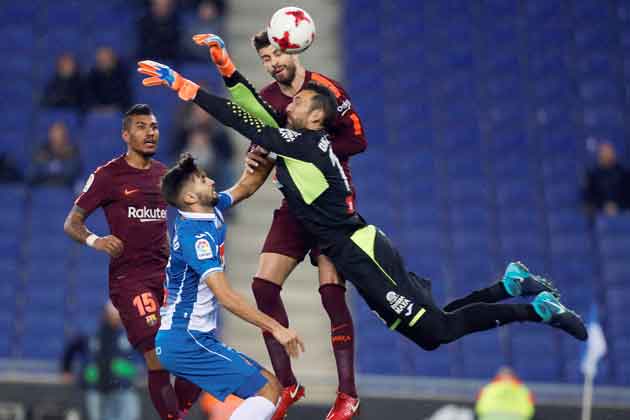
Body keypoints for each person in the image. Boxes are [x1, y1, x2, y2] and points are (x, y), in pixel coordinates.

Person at [136, 61, 589, 360]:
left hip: (359, 251)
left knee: (434, 331)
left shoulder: (307, 146)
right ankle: (508, 284)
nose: (287, 103)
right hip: (360, 250)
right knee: (431, 323)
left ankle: (539, 311)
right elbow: (258, 111)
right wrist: (225, 73)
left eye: (297, 102)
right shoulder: (303, 144)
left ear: (316, 118)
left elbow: (246, 120)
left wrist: (185, 87)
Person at [193, 32, 368, 419]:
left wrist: (306, 149)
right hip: (293, 207)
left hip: (330, 208)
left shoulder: (325, 91)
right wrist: (269, 156)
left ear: (296, 48)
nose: (272, 63)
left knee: (331, 295)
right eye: (266, 58)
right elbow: (253, 131)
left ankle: (347, 395)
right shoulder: (270, 100)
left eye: (277, 54)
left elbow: (358, 141)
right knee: (262, 286)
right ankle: (288, 385)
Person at [63, 104, 202, 420]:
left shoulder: (163, 176)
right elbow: (72, 223)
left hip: (164, 275)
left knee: (186, 349)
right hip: (130, 280)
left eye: (153, 126)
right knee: (156, 353)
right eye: (141, 126)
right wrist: (96, 240)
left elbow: (163, 226)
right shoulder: (107, 176)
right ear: (126, 134)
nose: (150, 132)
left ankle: (176, 408)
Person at [157, 154, 305, 420]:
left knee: (270, 388)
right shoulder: (196, 237)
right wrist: (276, 328)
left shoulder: (208, 209)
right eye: (203, 179)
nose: (211, 180)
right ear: (190, 198)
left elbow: (246, 186)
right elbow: (225, 296)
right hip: (186, 339)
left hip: (188, 339)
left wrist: (273, 150)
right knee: (267, 391)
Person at [61, 301, 141, 420]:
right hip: (96, 387)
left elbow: (146, 352)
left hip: (122, 386)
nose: (115, 317)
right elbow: (72, 348)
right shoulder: (92, 333)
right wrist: (66, 369)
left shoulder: (128, 335)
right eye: (112, 314)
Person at [27, 121, 81, 187]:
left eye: (60, 134)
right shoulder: (42, 150)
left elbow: (72, 171)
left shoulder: (72, 151)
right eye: (54, 133)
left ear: (65, 136)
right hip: (43, 185)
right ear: (50, 134)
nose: (56, 136)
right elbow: (33, 172)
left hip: (65, 186)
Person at [582, 141, 628, 216]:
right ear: (599, 156)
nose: (606, 156)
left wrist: (617, 206)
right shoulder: (593, 175)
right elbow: (589, 198)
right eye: (603, 153)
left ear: (614, 154)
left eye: (608, 153)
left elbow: (627, 196)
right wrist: (603, 206)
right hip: (600, 212)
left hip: (622, 213)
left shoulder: (624, 174)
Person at [85, 47, 132, 112]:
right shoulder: (92, 77)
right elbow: (89, 97)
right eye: (101, 60)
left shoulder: (121, 76)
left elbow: (125, 97)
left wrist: (114, 108)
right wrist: (99, 108)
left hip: (117, 110)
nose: (104, 61)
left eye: (106, 59)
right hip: (98, 111)